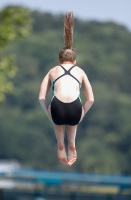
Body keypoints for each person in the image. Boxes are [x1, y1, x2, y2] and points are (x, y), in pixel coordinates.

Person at [39, 12, 94, 166]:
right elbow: (91, 99)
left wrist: (48, 114)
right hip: (75, 111)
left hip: (56, 110)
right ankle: (72, 143)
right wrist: (81, 114)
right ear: (74, 61)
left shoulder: (52, 71)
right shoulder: (80, 71)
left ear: (59, 60)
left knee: (56, 107)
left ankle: (60, 144)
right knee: (74, 107)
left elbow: (41, 97)